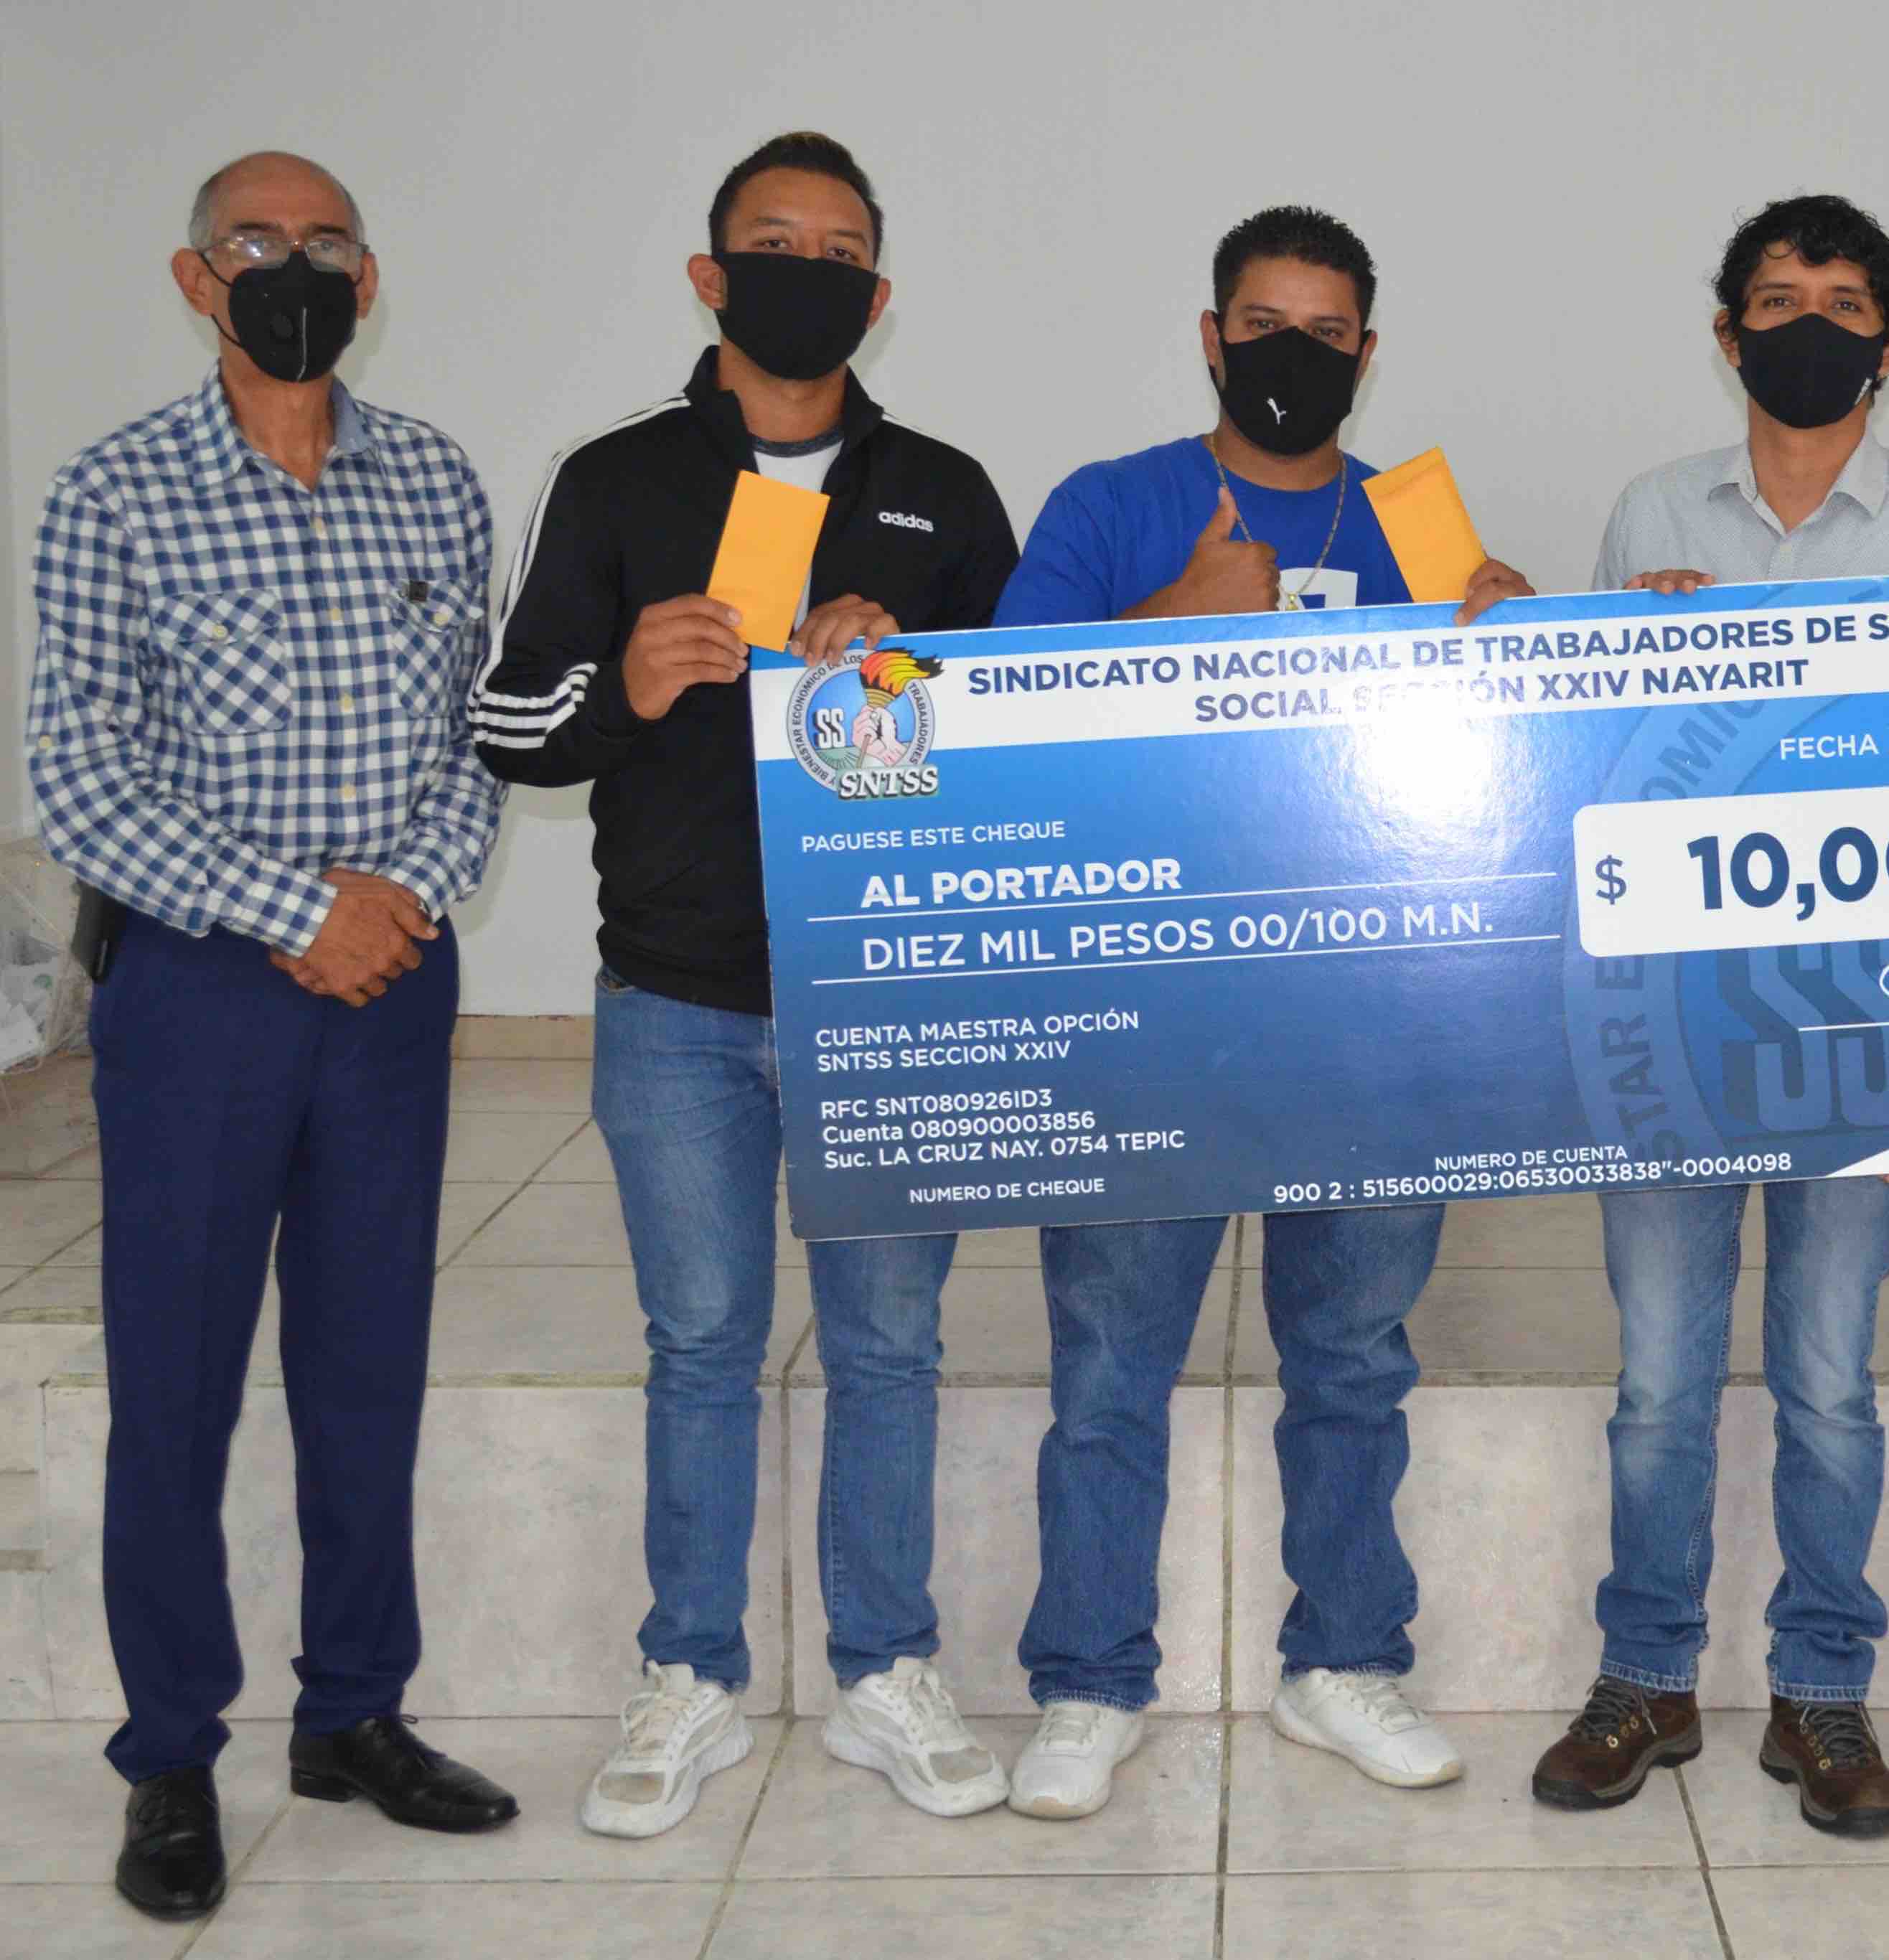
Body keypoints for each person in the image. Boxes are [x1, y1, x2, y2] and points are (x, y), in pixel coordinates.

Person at [472, 133, 1020, 1836]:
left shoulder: (943, 488)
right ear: (711, 277)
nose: (810, 269)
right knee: (703, 1340)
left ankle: (884, 1670)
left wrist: (915, 673)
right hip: (677, 1000)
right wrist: (628, 680)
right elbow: (505, 724)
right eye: (775, 242)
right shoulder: (616, 478)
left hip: (889, 998)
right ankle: (691, 1671)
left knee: (889, 1346)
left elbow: (1031, 737)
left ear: (879, 290)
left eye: (841, 249)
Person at [991, 204, 1534, 1819]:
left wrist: (1519, 650)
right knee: (1110, 1366)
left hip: (1369, 1022)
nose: (1293, 352)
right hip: (1143, 1014)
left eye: (1326, 331)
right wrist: (1182, 613)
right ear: (1211, 336)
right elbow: (996, 719)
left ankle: (1343, 1660)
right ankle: (1089, 1680)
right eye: (1262, 324)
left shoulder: (1418, 524)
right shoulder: (1110, 505)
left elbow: (1487, 765)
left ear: (1367, 350)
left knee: (1353, 1357)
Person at [27, 151, 519, 1921]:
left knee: (365, 1363)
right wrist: (297, 909)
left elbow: (480, 739)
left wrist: (401, 899)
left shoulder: (435, 481)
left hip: (394, 983)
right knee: (176, 1379)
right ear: (196, 276)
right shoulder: (115, 492)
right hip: (203, 990)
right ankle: (170, 1752)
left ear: (368, 282)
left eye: (326, 244)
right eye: (257, 241)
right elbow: (79, 776)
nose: (293, 267)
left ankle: (352, 1711)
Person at [1526, 195, 1889, 1840]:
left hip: (1866, 1037)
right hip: (1671, 1029)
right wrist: (1634, 648)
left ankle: (1820, 1690)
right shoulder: (1652, 511)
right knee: (1661, 1382)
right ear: (1728, 333)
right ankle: (1647, 1676)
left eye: (1845, 301)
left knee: (1829, 1380)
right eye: (1779, 299)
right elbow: (1595, 773)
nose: (1811, 325)